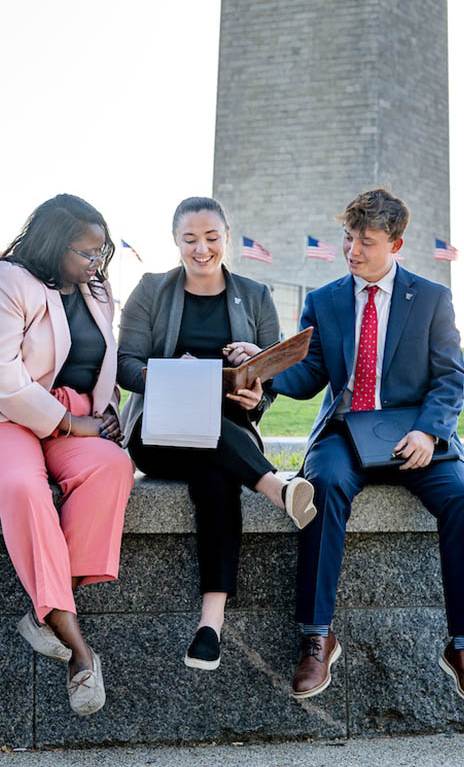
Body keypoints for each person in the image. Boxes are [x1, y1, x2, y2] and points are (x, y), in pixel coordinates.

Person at [262, 188, 464, 712]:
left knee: (463, 499)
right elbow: (310, 374)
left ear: (396, 244)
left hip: (415, 435)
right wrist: (265, 373)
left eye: (366, 242)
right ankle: (317, 638)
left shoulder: (432, 299)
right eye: (349, 239)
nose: (353, 251)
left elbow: (450, 377)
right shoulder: (324, 301)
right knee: (320, 487)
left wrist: (429, 432)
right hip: (345, 434)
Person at [0, 194, 133, 717]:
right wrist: (69, 421)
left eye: (101, 251)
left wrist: (103, 411)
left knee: (112, 468)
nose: (97, 263)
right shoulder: (7, 280)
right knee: (24, 487)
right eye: (87, 252)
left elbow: (97, 358)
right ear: (54, 244)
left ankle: (42, 612)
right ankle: (76, 643)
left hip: (73, 420)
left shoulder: (96, 290)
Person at [116, 196, 316, 672]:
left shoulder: (256, 294)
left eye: (211, 238)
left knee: (216, 473)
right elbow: (126, 364)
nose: (201, 249)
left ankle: (210, 625)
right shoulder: (150, 290)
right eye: (190, 240)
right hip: (158, 432)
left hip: (227, 434)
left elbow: (271, 371)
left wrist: (258, 391)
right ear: (175, 242)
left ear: (227, 236)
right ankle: (275, 487)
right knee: (211, 438)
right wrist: (170, 376)